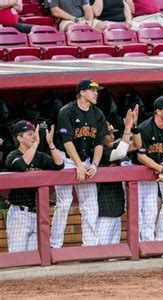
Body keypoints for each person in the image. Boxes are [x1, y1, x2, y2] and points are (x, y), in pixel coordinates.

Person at [50, 79, 107, 248]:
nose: (96, 93)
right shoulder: (67, 111)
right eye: (93, 90)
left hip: (86, 160)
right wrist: (78, 165)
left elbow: (99, 143)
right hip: (66, 160)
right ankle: (55, 245)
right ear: (82, 92)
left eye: (97, 91)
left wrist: (94, 165)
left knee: (90, 204)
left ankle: (90, 246)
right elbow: (67, 141)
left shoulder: (98, 114)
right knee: (64, 203)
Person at [6, 121, 63, 252]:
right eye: (30, 134)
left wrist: (51, 144)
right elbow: (20, 165)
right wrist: (36, 144)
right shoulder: (13, 155)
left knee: (35, 257)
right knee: (17, 257)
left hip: (38, 214)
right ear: (19, 138)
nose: (34, 136)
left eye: (35, 134)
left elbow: (59, 165)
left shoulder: (40, 157)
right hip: (19, 214)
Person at [135, 96, 163, 242]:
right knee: (137, 212)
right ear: (157, 112)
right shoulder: (145, 128)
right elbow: (141, 156)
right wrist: (161, 169)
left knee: (151, 211)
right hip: (137, 172)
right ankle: (137, 245)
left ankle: (149, 244)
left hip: (153, 172)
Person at [96, 108, 138, 245]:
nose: (112, 137)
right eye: (109, 135)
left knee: (114, 251)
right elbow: (120, 153)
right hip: (103, 210)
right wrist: (127, 128)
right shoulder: (98, 152)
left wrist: (134, 126)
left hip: (116, 209)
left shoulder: (111, 147)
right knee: (101, 251)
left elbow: (137, 144)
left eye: (113, 134)